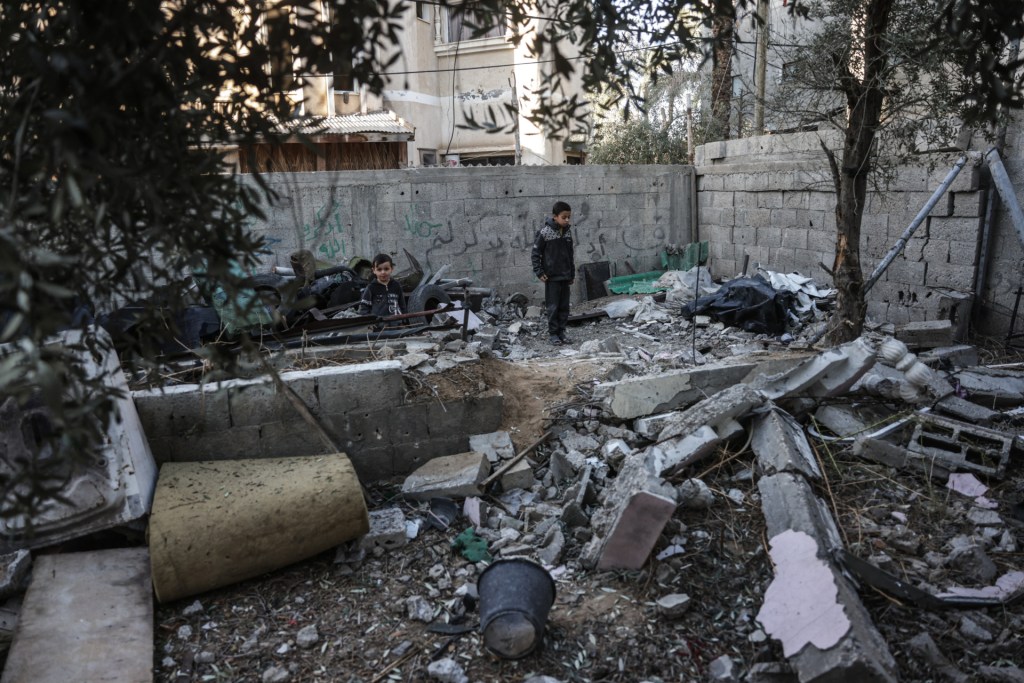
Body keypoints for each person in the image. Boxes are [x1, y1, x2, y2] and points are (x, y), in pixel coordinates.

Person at [531, 200, 575, 345]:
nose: (567, 220)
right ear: (555, 216)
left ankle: (562, 332)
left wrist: (571, 274)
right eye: (564, 217)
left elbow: (570, 255)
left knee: (564, 306)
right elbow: (536, 253)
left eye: (569, 217)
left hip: (565, 276)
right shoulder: (545, 232)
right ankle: (553, 334)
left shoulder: (568, 232)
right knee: (553, 306)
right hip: (552, 277)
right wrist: (539, 272)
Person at [358, 253, 406, 323]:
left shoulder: (396, 285)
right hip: (379, 327)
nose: (383, 272)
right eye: (379, 269)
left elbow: (402, 306)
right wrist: (370, 323)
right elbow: (364, 308)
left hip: (397, 325)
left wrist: (404, 321)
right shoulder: (371, 287)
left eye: (386, 269)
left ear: (391, 269)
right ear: (374, 270)